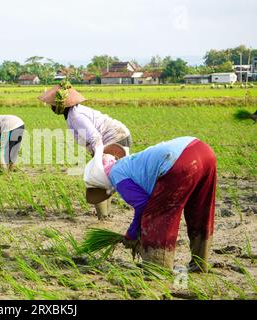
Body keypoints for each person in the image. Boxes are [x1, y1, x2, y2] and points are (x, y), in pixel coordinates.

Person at [84, 137, 217, 272]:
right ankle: (200, 263)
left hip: (180, 162)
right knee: (200, 211)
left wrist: (132, 233)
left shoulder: (115, 174)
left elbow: (143, 205)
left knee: (157, 214)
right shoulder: (129, 163)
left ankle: (157, 268)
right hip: (202, 150)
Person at [39, 80, 132, 220]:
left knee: (96, 180)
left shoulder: (76, 116)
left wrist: (97, 161)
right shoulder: (72, 114)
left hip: (115, 140)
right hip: (113, 139)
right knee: (104, 179)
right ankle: (106, 216)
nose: (51, 107)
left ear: (60, 105)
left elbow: (95, 138)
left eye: (52, 104)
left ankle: (103, 219)